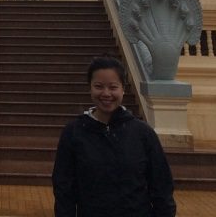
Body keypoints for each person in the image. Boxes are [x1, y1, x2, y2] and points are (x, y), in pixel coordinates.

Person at [52, 55, 176, 217]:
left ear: (123, 89)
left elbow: (161, 186)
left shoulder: (142, 133)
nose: (106, 93)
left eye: (113, 87)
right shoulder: (74, 132)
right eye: (98, 86)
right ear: (89, 88)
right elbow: (64, 188)